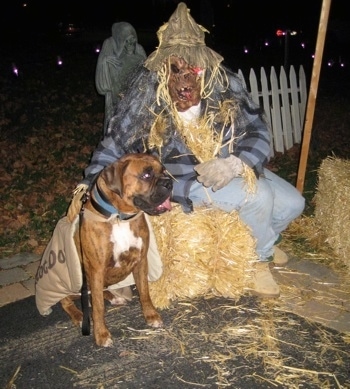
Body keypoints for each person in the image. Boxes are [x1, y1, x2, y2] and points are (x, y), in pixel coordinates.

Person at [72, 2, 305, 298]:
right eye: (175, 68)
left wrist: (235, 163)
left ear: (204, 65)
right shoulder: (147, 95)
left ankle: (261, 238)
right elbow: (114, 143)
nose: (185, 79)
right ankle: (259, 258)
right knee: (259, 196)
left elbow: (258, 130)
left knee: (293, 204)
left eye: (192, 68)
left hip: (229, 167)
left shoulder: (224, 85)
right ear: (163, 68)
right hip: (186, 179)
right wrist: (89, 182)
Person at [95, 21, 147, 135]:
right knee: (118, 128)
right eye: (126, 41)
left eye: (132, 40)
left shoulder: (138, 50)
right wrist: (105, 62)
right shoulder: (110, 45)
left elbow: (147, 73)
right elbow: (102, 86)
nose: (130, 44)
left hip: (136, 97)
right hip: (118, 97)